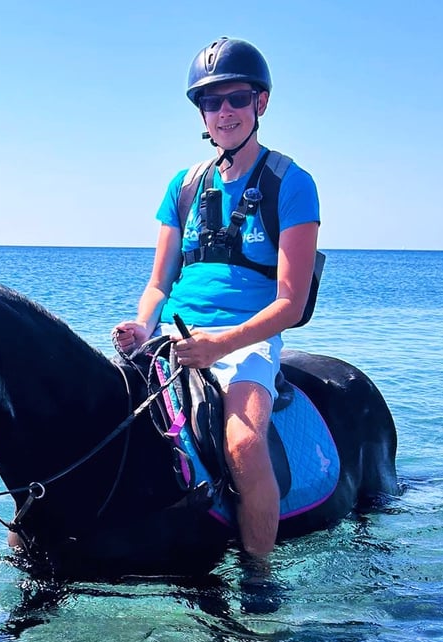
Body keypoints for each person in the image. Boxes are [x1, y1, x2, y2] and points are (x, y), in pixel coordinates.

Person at [113, 37, 320, 559]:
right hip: (173, 338)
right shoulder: (183, 186)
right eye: (212, 102)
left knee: (244, 446)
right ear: (201, 113)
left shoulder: (292, 185)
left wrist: (221, 344)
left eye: (236, 99)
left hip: (246, 341)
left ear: (260, 104)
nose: (223, 112)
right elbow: (159, 283)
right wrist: (142, 327)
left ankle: (259, 576)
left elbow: (290, 304)